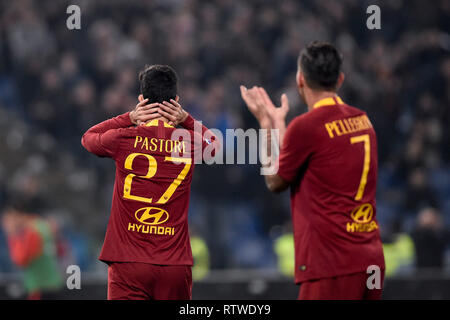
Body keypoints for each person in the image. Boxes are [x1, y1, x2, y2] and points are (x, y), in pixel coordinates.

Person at [241, 41, 385, 300]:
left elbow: (276, 180)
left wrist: (265, 123)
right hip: (370, 258)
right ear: (340, 79)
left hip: (331, 263)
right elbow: (300, 156)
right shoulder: (363, 120)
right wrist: (278, 124)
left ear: (300, 79)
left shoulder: (307, 126)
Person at [81, 65, 220, 300]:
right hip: (173, 264)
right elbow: (215, 146)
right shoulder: (188, 142)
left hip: (128, 262)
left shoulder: (123, 138)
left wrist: (128, 118)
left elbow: (88, 138)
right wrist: (186, 119)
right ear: (176, 100)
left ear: (141, 100)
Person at [2, 200, 63, 299]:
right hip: (53, 282)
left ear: (18, 215)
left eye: (9, 219)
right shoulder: (43, 225)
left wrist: (12, 236)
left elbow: (20, 260)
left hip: (40, 286)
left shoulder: (30, 232)